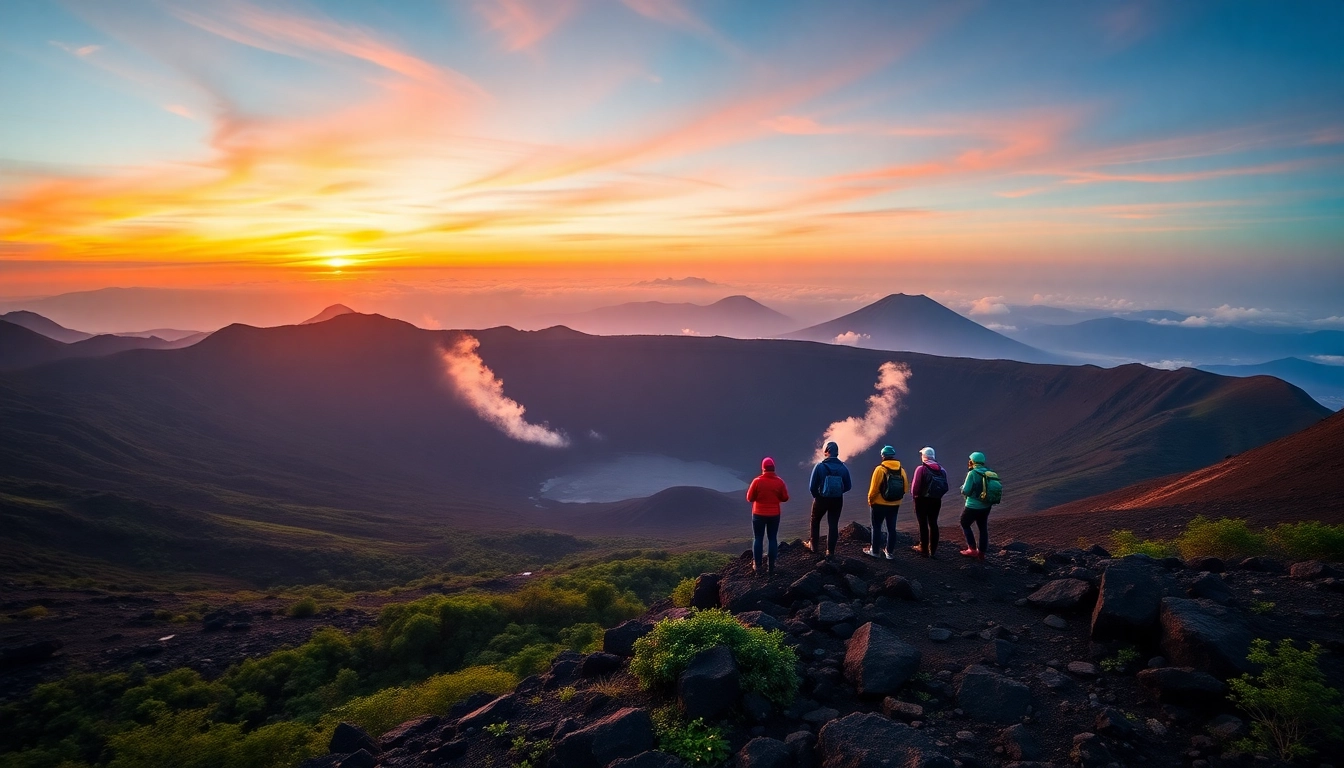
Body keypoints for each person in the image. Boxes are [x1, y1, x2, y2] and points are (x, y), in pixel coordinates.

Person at [806, 441, 851, 556]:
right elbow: (848, 486)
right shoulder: (843, 467)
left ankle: (813, 547)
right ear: (837, 452)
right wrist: (838, 492)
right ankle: (830, 551)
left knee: (815, 521)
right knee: (833, 524)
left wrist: (818, 496)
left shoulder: (819, 466)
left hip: (821, 499)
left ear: (827, 451)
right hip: (837, 500)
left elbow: (812, 487)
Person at [745, 457, 789, 576]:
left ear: (763, 468)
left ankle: (758, 566)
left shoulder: (757, 481)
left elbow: (749, 498)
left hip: (758, 514)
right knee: (772, 538)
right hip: (774, 514)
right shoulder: (779, 481)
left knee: (758, 538)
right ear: (773, 468)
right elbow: (785, 497)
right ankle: (772, 565)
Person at [863, 445, 906, 559]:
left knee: (876, 527)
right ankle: (889, 553)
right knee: (892, 528)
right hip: (895, 504)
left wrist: (870, 501)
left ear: (883, 456)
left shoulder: (880, 469)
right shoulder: (901, 470)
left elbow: (873, 489)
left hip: (879, 504)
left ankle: (875, 552)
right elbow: (905, 488)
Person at [960, 451, 1000, 560]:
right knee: (983, 528)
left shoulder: (972, 473)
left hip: (973, 505)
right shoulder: (988, 472)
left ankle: (972, 549)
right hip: (986, 505)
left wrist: (962, 488)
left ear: (973, 461)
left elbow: (966, 490)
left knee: (964, 523)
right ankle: (981, 553)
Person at [909, 446, 948, 557]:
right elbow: (945, 487)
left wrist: (915, 497)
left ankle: (924, 548)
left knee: (923, 524)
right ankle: (933, 550)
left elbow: (915, 487)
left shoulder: (921, 469)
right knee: (933, 523)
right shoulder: (942, 470)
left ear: (924, 456)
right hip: (936, 501)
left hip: (922, 500)